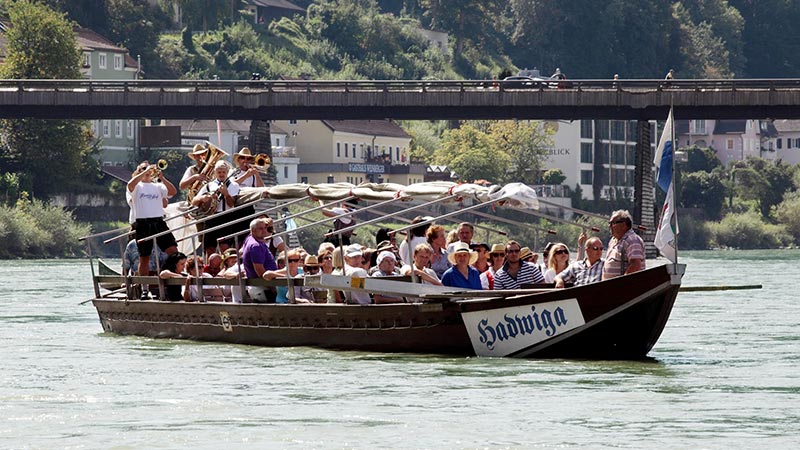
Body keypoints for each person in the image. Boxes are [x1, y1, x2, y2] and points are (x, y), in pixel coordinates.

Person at [127, 160, 178, 299]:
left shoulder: (158, 186)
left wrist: (163, 177)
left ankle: (172, 280)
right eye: (144, 168)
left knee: (173, 250)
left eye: (149, 168)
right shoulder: (137, 186)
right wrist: (143, 171)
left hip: (158, 222)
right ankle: (145, 288)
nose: (148, 170)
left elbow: (173, 192)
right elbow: (130, 185)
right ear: (139, 170)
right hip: (143, 223)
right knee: (144, 257)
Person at [192, 160, 240, 255]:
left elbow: (232, 204)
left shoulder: (234, 185)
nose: (221, 174)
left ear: (227, 172)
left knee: (225, 248)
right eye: (219, 172)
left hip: (226, 217)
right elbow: (194, 201)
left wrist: (226, 194)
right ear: (215, 173)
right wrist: (203, 198)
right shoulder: (209, 186)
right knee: (209, 249)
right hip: (211, 218)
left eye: (223, 172)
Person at [242, 217, 278, 302]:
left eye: (265, 228)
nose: (264, 230)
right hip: (263, 287)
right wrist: (273, 287)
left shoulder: (249, 239)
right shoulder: (256, 246)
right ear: (253, 230)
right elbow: (260, 272)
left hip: (259, 287)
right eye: (260, 228)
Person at [602, 210, 646, 280]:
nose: (609, 226)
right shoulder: (613, 240)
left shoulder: (632, 240)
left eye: (612, 223)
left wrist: (622, 284)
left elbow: (635, 266)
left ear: (623, 225)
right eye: (609, 223)